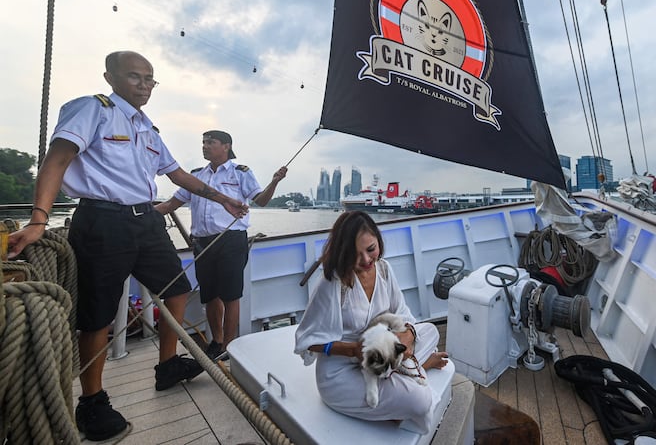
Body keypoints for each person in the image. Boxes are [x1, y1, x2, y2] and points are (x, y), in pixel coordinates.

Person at [7, 50, 250, 442]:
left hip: (146, 221)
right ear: (111, 77)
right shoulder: (92, 110)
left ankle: (167, 364)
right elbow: (58, 159)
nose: (144, 85)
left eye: (149, 79)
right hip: (103, 221)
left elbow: (176, 174)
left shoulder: (149, 129)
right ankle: (92, 400)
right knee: (98, 314)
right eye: (135, 77)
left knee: (177, 291)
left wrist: (222, 199)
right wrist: (39, 219)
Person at [294, 211, 449, 434]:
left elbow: (402, 312)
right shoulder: (332, 283)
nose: (366, 260)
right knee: (421, 400)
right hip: (341, 371)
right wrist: (353, 351)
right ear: (344, 253)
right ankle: (415, 369)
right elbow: (307, 341)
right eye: (356, 255)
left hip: (380, 356)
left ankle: (404, 373)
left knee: (430, 331)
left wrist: (410, 334)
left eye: (371, 249)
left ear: (378, 241)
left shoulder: (384, 269)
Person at [155, 130, 287, 360]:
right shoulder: (196, 177)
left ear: (226, 146)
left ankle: (229, 344)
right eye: (203, 142)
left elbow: (262, 201)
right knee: (209, 295)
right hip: (203, 242)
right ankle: (216, 341)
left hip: (231, 240)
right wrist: (139, 215)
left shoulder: (240, 173)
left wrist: (274, 181)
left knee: (230, 295)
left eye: (211, 142)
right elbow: (171, 204)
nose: (205, 146)